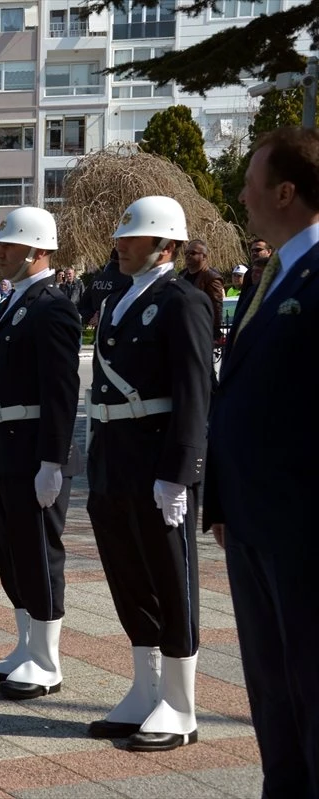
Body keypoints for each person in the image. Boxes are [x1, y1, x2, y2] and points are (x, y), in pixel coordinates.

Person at [207, 126, 319, 797]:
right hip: (253, 522)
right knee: (273, 692)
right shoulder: (269, 273)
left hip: (301, 526)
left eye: (252, 181)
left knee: (309, 684)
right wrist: (220, 502)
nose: (242, 195)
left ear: (285, 190)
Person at [85, 196, 212, 752]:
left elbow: (194, 391)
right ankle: (145, 688)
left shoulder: (182, 301)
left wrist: (181, 471)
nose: (121, 244)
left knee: (169, 576)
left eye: (132, 237)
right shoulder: (119, 296)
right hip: (115, 455)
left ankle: (180, 704)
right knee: (128, 573)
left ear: (165, 243)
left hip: (158, 458)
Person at [0, 207, 81, 700]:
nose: (0, 251)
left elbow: (61, 389)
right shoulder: (11, 301)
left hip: (30, 449)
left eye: (9, 245)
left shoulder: (51, 305)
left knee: (39, 555)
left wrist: (52, 460)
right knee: (13, 552)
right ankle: (25, 645)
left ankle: (46, 658)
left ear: (38, 250)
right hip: (2, 445)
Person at [180, 239, 224, 343]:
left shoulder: (211, 277)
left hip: (200, 331)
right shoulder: (182, 275)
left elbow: (216, 307)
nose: (188, 255)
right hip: (182, 328)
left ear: (204, 256)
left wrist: (215, 332)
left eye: (193, 253)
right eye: (186, 253)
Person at [78, 249, 133, 327]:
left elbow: (83, 306)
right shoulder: (128, 280)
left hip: (98, 329)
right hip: (116, 327)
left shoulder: (96, 279)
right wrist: (102, 316)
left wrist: (92, 317)